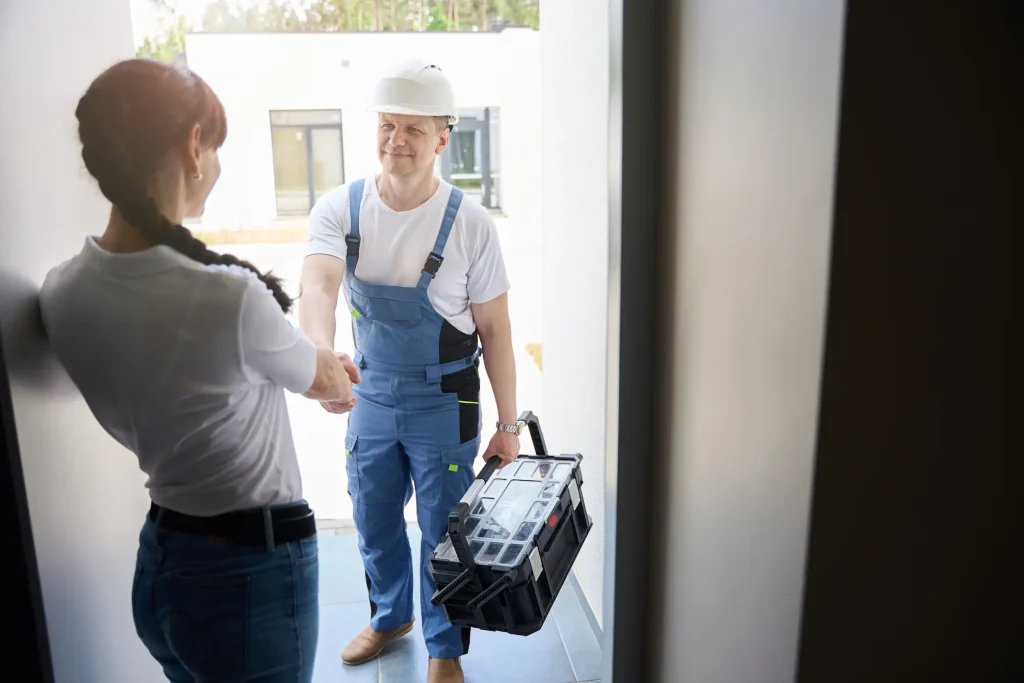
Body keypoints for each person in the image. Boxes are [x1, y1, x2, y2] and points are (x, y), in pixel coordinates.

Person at [38, 58, 359, 683]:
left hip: (162, 567)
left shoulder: (61, 292)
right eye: (214, 146)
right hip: (249, 574)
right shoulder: (228, 296)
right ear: (192, 147)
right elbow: (324, 380)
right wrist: (333, 371)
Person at [298, 60, 521, 683]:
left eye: (413, 129)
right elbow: (317, 285)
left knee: (444, 530)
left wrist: (509, 424)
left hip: (446, 400)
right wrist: (321, 352)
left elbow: (498, 332)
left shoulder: (471, 225)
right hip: (371, 391)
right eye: (388, 125)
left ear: (442, 138)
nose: (396, 139)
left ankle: (444, 648)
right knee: (371, 515)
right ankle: (391, 614)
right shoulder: (341, 207)